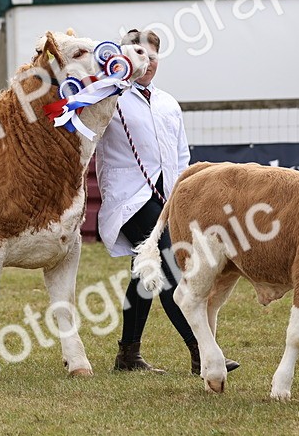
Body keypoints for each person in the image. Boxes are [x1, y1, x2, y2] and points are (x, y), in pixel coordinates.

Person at [96, 28, 239, 376]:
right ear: (124, 58)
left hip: (167, 201)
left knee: (144, 272)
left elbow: (180, 156)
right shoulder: (108, 100)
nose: (147, 64)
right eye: (138, 55)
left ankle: (128, 354)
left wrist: (184, 201)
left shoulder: (167, 103)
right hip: (127, 199)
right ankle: (201, 352)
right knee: (166, 264)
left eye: (152, 57)